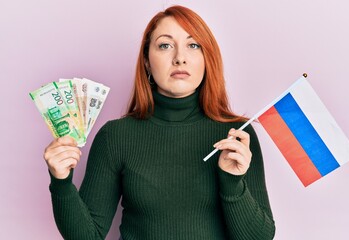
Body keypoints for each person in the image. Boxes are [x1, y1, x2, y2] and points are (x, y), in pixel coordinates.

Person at [43, 5, 275, 240]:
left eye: (193, 45)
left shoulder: (236, 136)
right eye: (165, 45)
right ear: (146, 61)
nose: (180, 58)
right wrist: (61, 182)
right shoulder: (115, 136)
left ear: (207, 59)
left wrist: (232, 182)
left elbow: (260, 238)